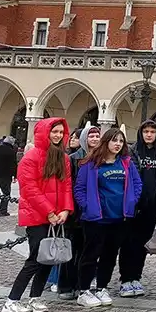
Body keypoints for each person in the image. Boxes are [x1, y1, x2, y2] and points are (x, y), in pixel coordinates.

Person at [2, 118, 73, 312]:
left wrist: (65, 209)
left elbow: (67, 185)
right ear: (45, 133)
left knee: (47, 259)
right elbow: (30, 189)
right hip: (37, 216)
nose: (58, 135)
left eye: (61, 132)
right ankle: (12, 301)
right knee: (34, 259)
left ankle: (35, 296)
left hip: (57, 217)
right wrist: (49, 211)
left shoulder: (64, 158)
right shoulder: (31, 158)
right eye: (54, 131)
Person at [73, 128, 143, 308]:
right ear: (106, 142)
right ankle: (84, 290)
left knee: (110, 255)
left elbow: (137, 183)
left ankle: (102, 287)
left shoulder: (126, 163)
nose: (118, 144)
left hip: (119, 218)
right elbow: (79, 188)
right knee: (91, 254)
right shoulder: (90, 163)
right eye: (114, 140)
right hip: (96, 218)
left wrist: (132, 200)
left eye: (121, 141)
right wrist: (87, 205)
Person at [118, 119, 156, 298]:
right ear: (141, 133)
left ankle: (136, 277)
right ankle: (125, 279)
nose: (149, 135)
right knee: (128, 244)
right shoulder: (131, 151)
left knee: (142, 244)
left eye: (152, 132)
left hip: (152, 207)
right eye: (146, 131)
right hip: (134, 207)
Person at [59, 125, 100, 299]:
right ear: (84, 138)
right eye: (91, 136)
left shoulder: (101, 158)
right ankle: (66, 286)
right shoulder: (73, 158)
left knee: (88, 250)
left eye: (97, 136)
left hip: (93, 211)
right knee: (72, 249)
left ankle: (82, 284)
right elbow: (67, 185)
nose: (95, 139)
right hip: (75, 212)